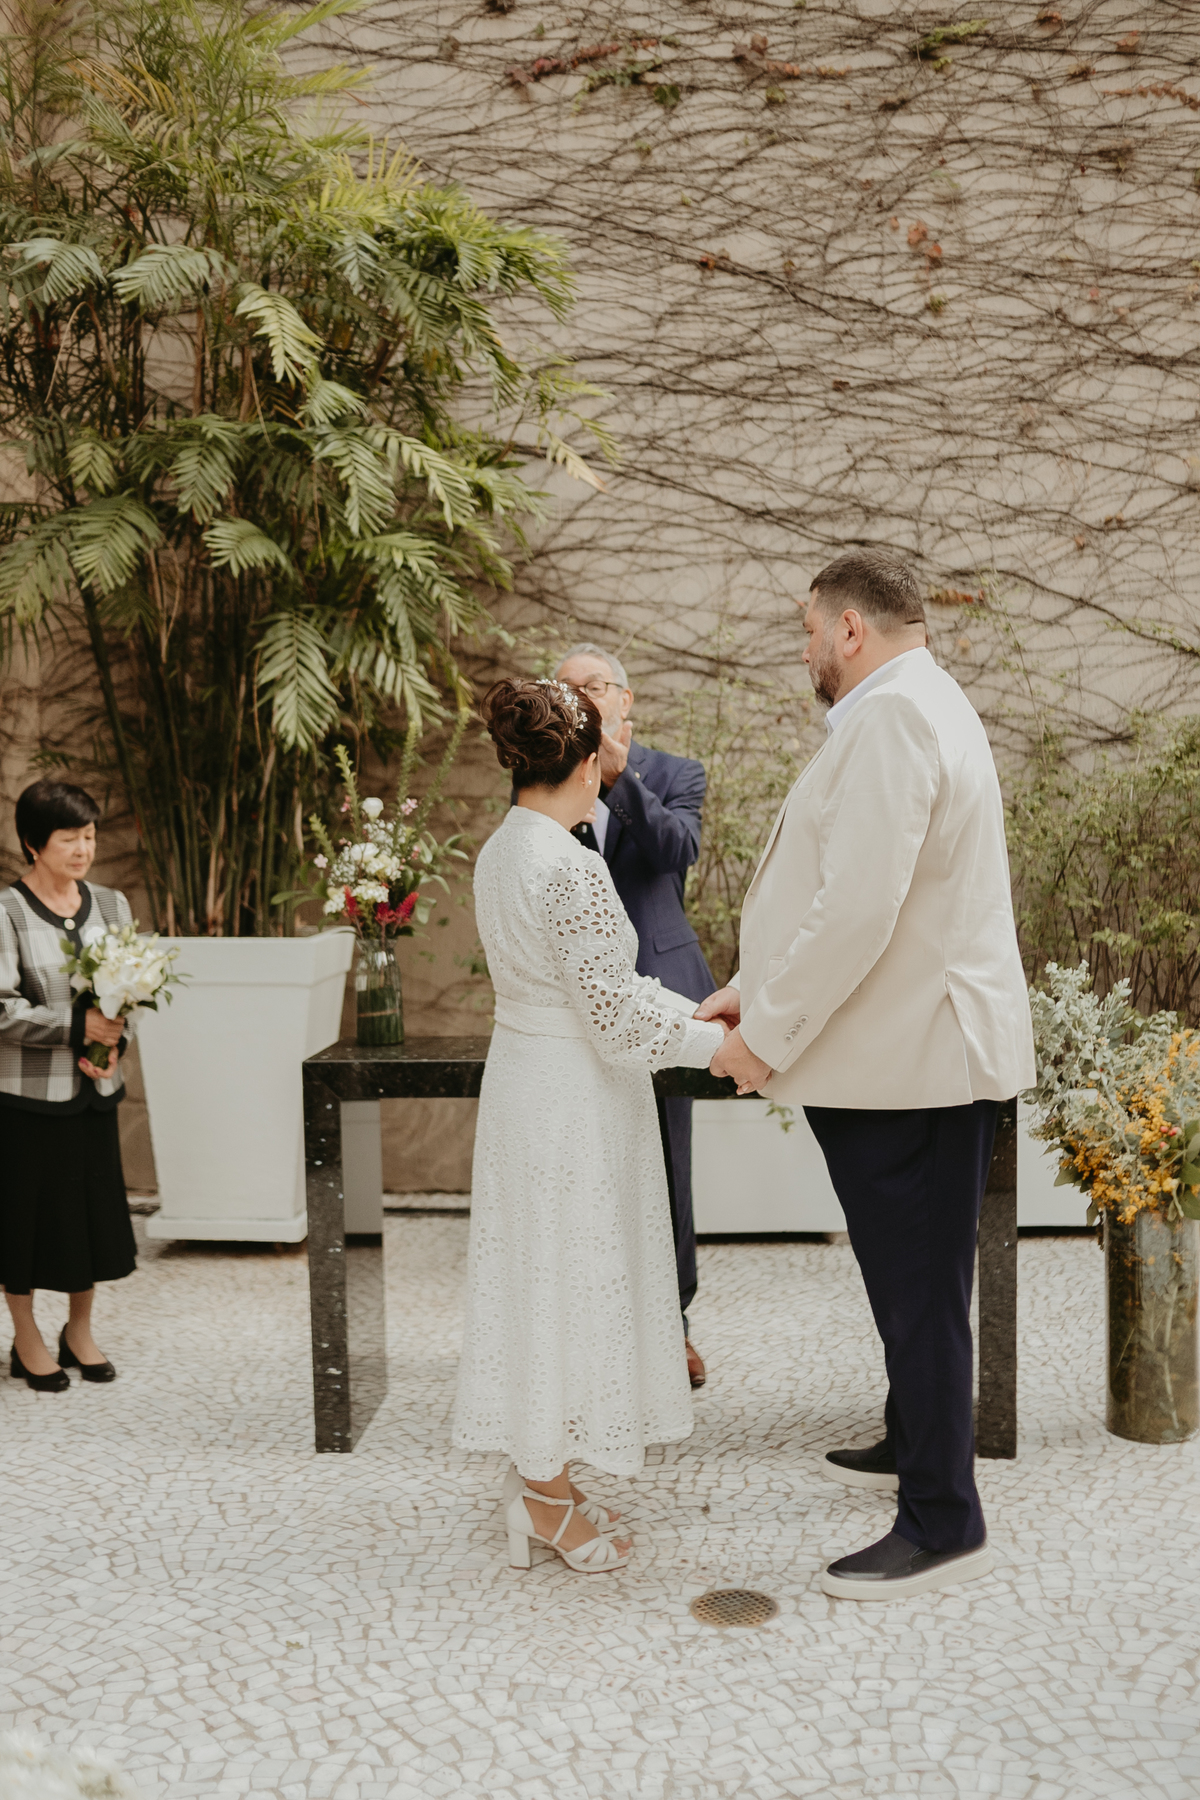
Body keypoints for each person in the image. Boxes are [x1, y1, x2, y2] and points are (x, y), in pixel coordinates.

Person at [698, 549, 1034, 1600]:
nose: (805, 649)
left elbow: (857, 908)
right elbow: (851, 891)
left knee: (919, 1293)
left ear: (851, 628)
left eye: (810, 629)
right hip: (909, 1055)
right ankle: (909, 1437)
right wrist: (752, 986)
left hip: (916, 1063)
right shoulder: (923, 701)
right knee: (914, 1283)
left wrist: (767, 1037)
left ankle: (942, 1521)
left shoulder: (893, 717)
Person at [453, 678, 726, 1573]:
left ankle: (541, 1476)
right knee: (568, 1279)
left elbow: (600, 993)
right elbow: (611, 1015)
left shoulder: (504, 848)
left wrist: (696, 1016)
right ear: (582, 765)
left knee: (541, 1278)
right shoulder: (568, 864)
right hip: (570, 1099)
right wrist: (719, 1048)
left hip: (527, 1085)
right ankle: (545, 1498)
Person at [554, 643, 714, 1389]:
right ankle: (594, 1323)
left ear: (625, 699)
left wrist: (618, 778)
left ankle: (672, 1323)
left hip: (659, 987)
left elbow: (677, 849)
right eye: (566, 688)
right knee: (587, 1162)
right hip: (571, 998)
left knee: (667, 1163)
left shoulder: (676, 773)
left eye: (593, 685)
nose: (580, 697)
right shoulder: (547, 777)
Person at [0, 779, 137, 1391]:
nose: (84, 849)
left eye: (90, 836)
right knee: (24, 1223)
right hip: (26, 1100)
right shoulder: (6, 912)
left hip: (94, 1093)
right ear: (33, 843)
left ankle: (78, 1331)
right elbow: (1, 1009)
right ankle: (25, 1336)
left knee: (89, 1218)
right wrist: (79, 1027)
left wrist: (113, 1044)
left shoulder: (112, 905)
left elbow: (131, 993)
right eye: (68, 838)